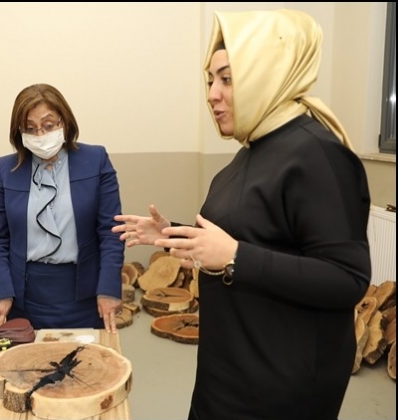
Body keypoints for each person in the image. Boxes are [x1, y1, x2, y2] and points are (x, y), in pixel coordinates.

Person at [113, 9, 371, 419]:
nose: (212, 94)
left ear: (266, 73)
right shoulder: (253, 149)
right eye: (211, 80)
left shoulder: (317, 153)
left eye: (227, 79)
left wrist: (236, 256)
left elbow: (347, 278)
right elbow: (251, 234)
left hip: (283, 385)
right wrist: (173, 232)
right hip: (230, 369)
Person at [0, 84, 124, 333]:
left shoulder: (95, 160)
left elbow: (111, 232)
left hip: (85, 295)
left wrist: (109, 289)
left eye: (48, 126)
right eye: (30, 128)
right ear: (19, 132)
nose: (40, 134)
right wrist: (2, 292)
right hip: (23, 298)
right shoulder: (6, 170)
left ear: (64, 123)